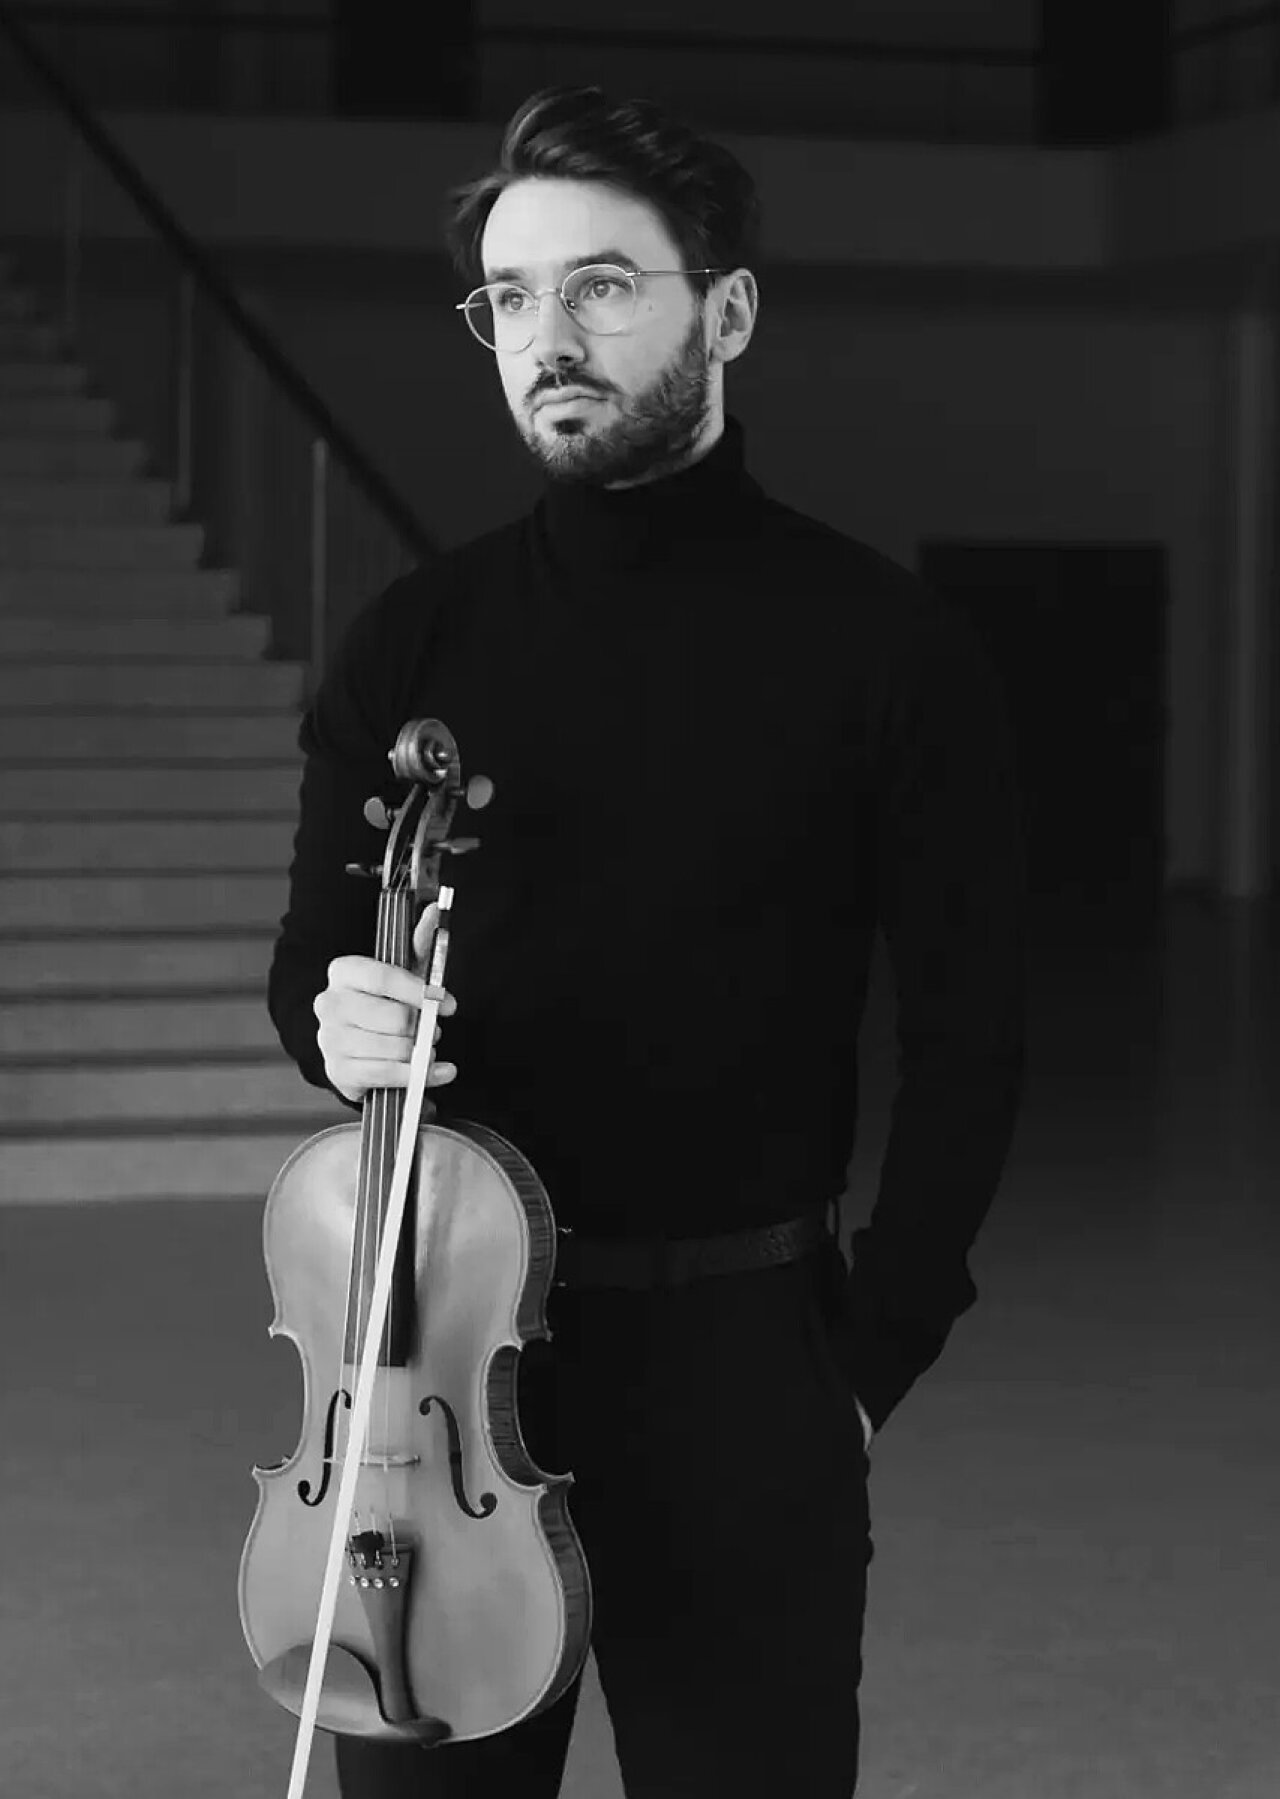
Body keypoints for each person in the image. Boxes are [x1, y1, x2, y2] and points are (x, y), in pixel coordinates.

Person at [266, 83, 1028, 1799]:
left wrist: (872, 1355)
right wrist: (341, 1022)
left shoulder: (885, 649)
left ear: (726, 312)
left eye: (602, 286)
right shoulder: (415, 639)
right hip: (434, 1372)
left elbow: (975, 1038)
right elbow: (307, 971)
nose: (549, 335)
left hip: (743, 1372)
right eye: (510, 297)